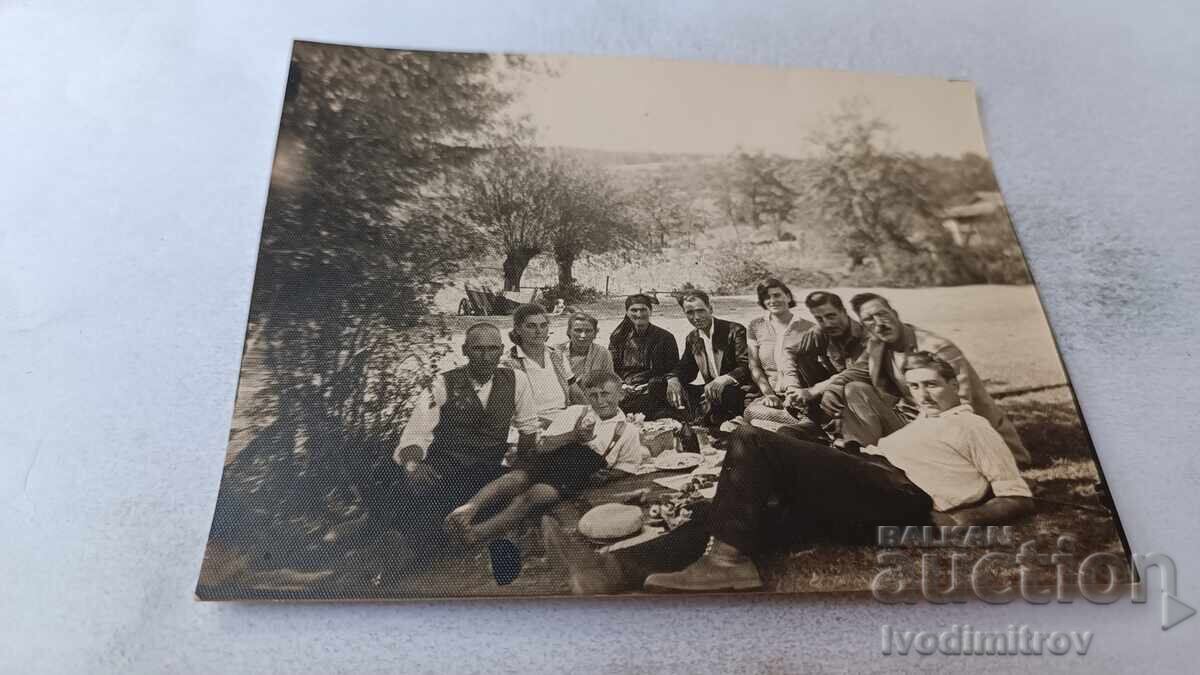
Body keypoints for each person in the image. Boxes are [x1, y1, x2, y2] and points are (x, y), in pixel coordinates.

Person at [542, 351, 1035, 593]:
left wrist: (962, 522)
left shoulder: (968, 424)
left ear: (955, 386)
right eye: (916, 385)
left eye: (933, 385)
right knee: (744, 507)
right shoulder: (917, 422)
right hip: (868, 488)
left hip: (902, 493)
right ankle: (615, 571)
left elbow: (1017, 495)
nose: (924, 394)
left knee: (752, 436)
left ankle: (728, 564)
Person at [445, 370, 650, 544]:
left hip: (577, 469)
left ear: (621, 395)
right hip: (551, 457)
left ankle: (477, 533)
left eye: (606, 394)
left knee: (532, 496)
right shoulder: (575, 412)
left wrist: (608, 476)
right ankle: (466, 511)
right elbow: (544, 446)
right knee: (513, 479)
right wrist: (574, 435)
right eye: (593, 395)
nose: (600, 401)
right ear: (586, 395)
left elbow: (628, 466)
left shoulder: (627, 430)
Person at [820, 293, 1030, 463]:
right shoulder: (878, 344)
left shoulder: (937, 348)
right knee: (855, 389)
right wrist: (830, 388)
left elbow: (961, 405)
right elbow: (856, 371)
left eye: (882, 314)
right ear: (864, 326)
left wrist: (919, 438)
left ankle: (890, 464)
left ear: (895, 313)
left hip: (957, 427)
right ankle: (868, 465)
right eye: (869, 320)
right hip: (917, 423)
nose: (879, 324)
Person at [387, 323, 542, 545]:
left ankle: (407, 544)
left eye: (492, 349)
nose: (486, 357)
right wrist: (413, 465)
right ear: (465, 350)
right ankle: (398, 538)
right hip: (445, 467)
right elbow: (416, 433)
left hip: (486, 471)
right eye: (478, 349)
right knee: (414, 491)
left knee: (455, 506)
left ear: (501, 350)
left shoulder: (516, 380)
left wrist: (520, 469)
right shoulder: (442, 383)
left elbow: (528, 428)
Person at [665, 290, 753, 428]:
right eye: (690, 313)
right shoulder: (692, 338)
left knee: (724, 394)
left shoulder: (734, 330)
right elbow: (687, 369)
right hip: (710, 392)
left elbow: (745, 365)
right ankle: (687, 422)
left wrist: (723, 379)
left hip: (735, 391)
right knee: (658, 385)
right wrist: (673, 379)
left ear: (710, 309)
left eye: (701, 311)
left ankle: (706, 420)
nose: (696, 317)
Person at [780, 291, 868, 425]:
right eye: (819, 319)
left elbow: (855, 373)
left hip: (860, 394)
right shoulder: (820, 331)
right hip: (828, 393)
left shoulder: (866, 336)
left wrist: (813, 391)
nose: (827, 324)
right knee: (802, 357)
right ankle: (810, 413)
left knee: (851, 388)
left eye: (831, 316)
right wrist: (792, 386)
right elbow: (790, 352)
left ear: (843, 311)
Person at [742, 278, 817, 428]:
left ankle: (801, 426)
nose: (772, 300)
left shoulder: (810, 328)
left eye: (777, 295)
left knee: (753, 419)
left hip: (799, 396)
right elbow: (754, 365)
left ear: (788, 297)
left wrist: (796, 394)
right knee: (751, 412)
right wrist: (768, 394)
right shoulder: (756, 325)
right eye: (766, 297)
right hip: (769, 395)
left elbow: (815, 371)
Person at [608, 293, 680, 420]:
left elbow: (673, 369)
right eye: (634, 310)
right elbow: (612, 369)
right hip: (625, 390)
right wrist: (623, 385)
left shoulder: (665, 337)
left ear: (650, 311)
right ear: (627, 312)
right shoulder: (618, 338)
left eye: (643, 310)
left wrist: (647, 385)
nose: (639, 314)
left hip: (653, 388)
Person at [501, 303, 580, 414]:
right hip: (531, 422)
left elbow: (576, 393)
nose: (539, 331)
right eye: (531, 326)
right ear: (518, 329)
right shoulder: (507, 363)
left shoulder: (557, 356)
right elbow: (506, 409)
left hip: (564, 417)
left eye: (543, 325)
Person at [556, 312, 616, 402]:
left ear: (595, 333)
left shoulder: (603, 353)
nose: (583, 335)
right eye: (578, 330)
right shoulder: (556, 352)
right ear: (569, 331)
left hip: (592, 402)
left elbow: (608, 386)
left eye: (588, 331)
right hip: (561, 402)